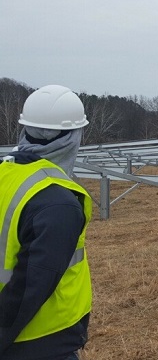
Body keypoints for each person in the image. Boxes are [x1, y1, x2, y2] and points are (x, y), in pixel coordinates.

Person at [0, 85, 92, 360]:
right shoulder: (57, 202)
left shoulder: (6, 173)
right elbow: (31, 284)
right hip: (40, 339)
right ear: (73, 138)